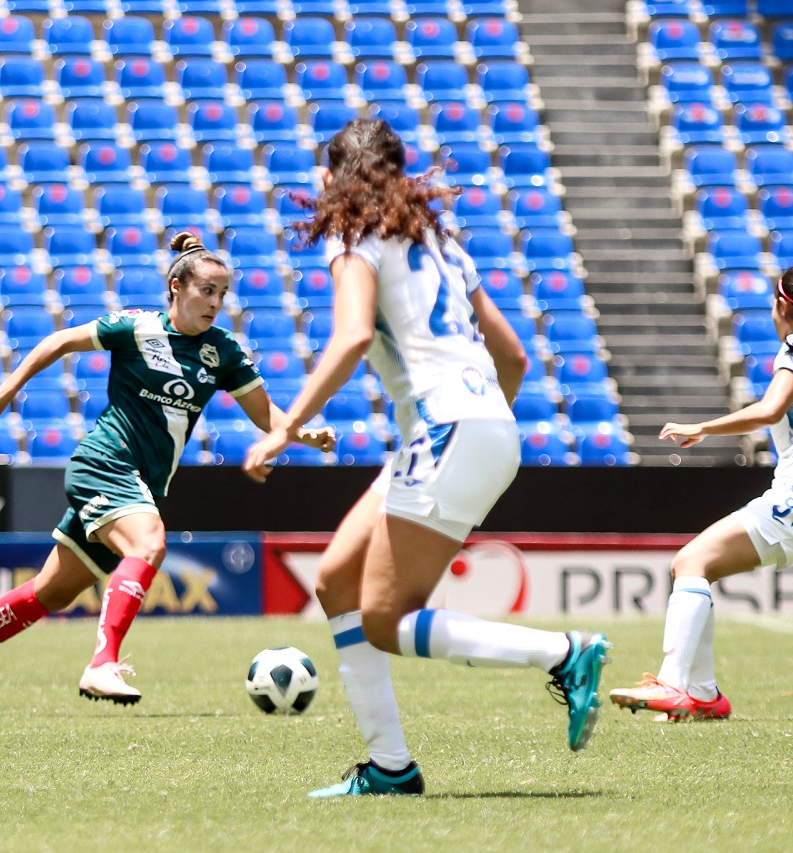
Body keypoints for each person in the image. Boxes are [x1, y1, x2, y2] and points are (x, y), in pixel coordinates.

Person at [243, 118, 613, 798]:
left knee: (385, 620)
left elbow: (352, 337)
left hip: (447, 430)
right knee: (336, 581)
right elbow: (513, 356)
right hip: (475, 424)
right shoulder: (438, 241)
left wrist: (285, 427)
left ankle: (564, 652)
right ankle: (390, 767)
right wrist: (479, 424)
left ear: (333, 178)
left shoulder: (354, 239)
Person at [0, 231, 335, 716]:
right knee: (148, 543)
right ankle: (103, 663)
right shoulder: (137, 327)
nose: (216, 303)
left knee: (50, 592)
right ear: (177, 287)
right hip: (105, 463)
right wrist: (8, 389)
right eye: (207, 291)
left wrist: (304, 435)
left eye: (222, 294)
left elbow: (267, 416)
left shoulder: (221, 351)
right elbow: (61, 340)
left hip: (138, 484)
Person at [609, 263, 793, 722]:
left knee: (689, 563)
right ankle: (703, 695)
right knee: (695, 567)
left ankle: (675, 685)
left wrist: (702, 427)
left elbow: (770, 409)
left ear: (780, 305)